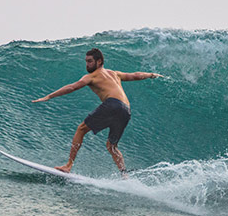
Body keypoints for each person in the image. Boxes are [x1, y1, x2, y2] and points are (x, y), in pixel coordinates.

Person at [32, 48, 162, 174]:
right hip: (126, 110)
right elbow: (135, 75)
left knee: (81, 129)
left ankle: (68, 165)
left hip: (112, 104)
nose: (87, 64)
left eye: (89, 61)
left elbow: (72, 87)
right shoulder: (114, 73)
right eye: (86, 61)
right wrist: (151, 75)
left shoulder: (91, 76)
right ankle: (124, 175)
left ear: (99, 61)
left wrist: (49, 96)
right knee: (112, 146)